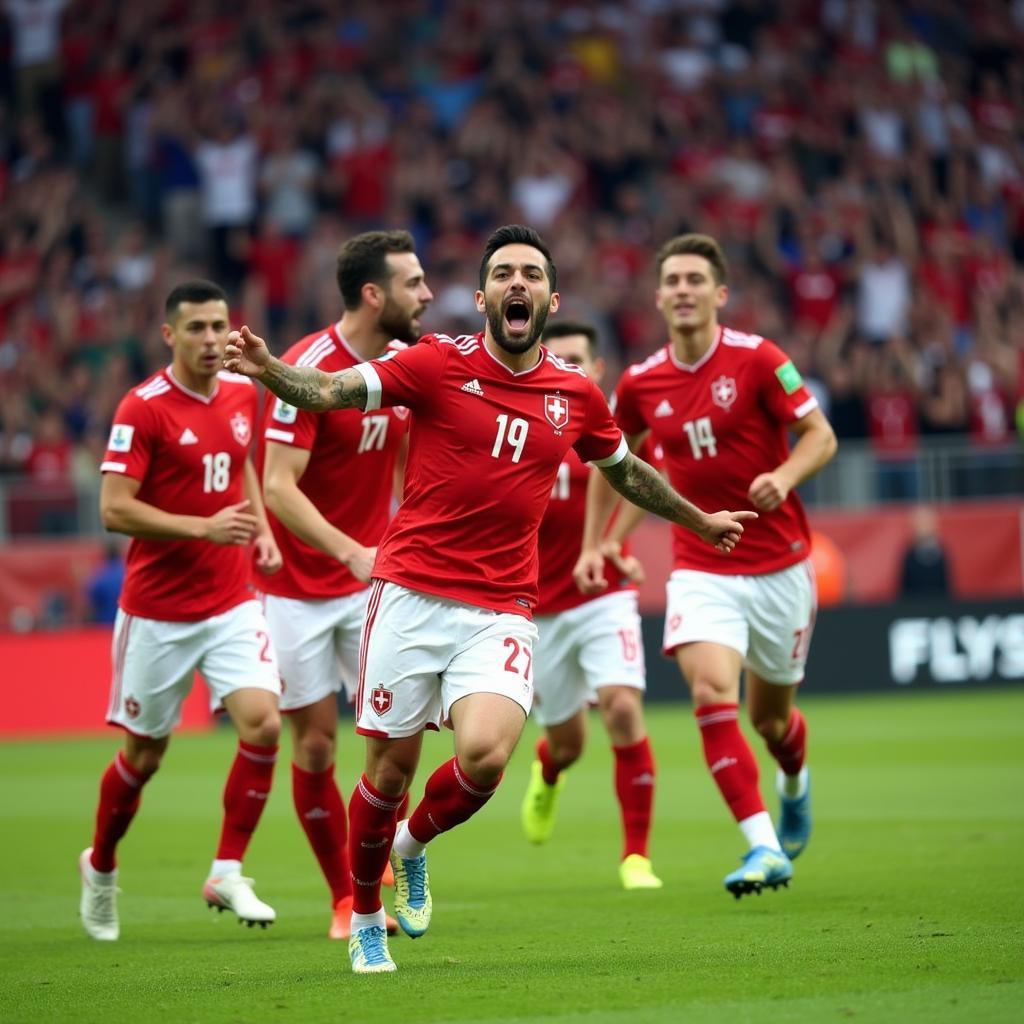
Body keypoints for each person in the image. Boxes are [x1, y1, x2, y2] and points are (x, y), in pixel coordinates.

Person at [223, 224, 755, 974]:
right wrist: (270, 370)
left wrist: (698, 520)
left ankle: (411, 847)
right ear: (481, 297)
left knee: (485, 758)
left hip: (502, 604)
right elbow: (334, 391)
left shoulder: (575, 394)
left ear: (550, 297)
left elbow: (628, 471)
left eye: (530, 274)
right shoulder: (435, 364)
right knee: (387, 776)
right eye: (502, 272)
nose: (517, 282)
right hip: (407, 594)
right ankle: (368, 916)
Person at [577, 233, 837, 898]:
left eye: (697, 279)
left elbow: (821, 436)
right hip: (701, 563)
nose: (684, 290)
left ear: (719, 294)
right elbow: (614, 461)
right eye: (673, 280)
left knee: (773, 721)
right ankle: (762, 846)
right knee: (710, 693)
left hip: (780, 565)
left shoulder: (760, 360)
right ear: (659, 296)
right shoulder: (639, 383)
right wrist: (600, 540)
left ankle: (794, 783)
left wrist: (783, 474)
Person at [78, 280, 284, 942]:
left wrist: (263, 532)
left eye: (218, 325)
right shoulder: (143, 409)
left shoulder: (241, 392)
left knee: (263, 724)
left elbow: (240, 464)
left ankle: (227, 868)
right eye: (195, 327)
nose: (210, 339)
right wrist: (202, 528)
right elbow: (114, 508)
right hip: (158, 612)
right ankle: (101, 867)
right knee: (144, 757)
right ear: (169, 335)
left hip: (229, 599)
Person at [257, 230, 432, 940]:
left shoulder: (401, 367)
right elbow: (277, 484)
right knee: (317, 749)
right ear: (373, 293)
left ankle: (383, 857)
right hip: (299, 589)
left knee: (394, 742)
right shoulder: (307, 369)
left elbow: (401, 461)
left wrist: (398, 534)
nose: (426, 294)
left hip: (374, 583)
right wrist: (351, 550)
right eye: (413, 283)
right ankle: (343, 900)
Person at [518, 320, 662, 891]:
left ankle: (636, 858)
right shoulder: (526, 424)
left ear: (597, 369)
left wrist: (608, 544)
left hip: (604, 593)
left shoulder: (607, 429)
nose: (568, 366)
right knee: (570, 741)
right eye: (558, 357)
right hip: (540, 605)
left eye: (578, 358)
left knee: (623, 709)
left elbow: (645, 485)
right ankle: (548, 769)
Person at [899, 505, 950, 597]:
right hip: (915, 604)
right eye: (920, 522)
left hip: (939, 603)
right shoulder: (909, 553)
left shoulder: (941, 552)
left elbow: (947, 584)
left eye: (928, 522)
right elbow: (904, 586)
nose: (924, 526)